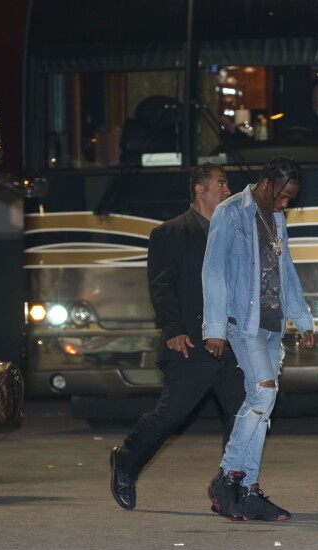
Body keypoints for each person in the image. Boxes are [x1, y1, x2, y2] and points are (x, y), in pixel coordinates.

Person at [110, 162, 245, 510]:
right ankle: (126, 461)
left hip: (233, 344)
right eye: (221, 184)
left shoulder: (233, 231)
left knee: (243, 415)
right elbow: (162, 286)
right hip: (191, 343)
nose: (227, 191)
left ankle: (227, 483)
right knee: (171, 416)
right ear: (200, 190)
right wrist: (174, 329)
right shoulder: (169, 233)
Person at [203, 156, 314, 522]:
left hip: (272, 325)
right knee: (264, 392)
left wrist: (301, 318)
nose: (285, 205)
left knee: (262, 405)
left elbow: (287, 271)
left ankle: (248, 490)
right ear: (266, 183)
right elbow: (214, 271)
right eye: (282, 197)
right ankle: (226, 475)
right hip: (243, 323)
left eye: (290, 200)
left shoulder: (277, 219)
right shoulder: (230, 211)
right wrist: (215, 328)